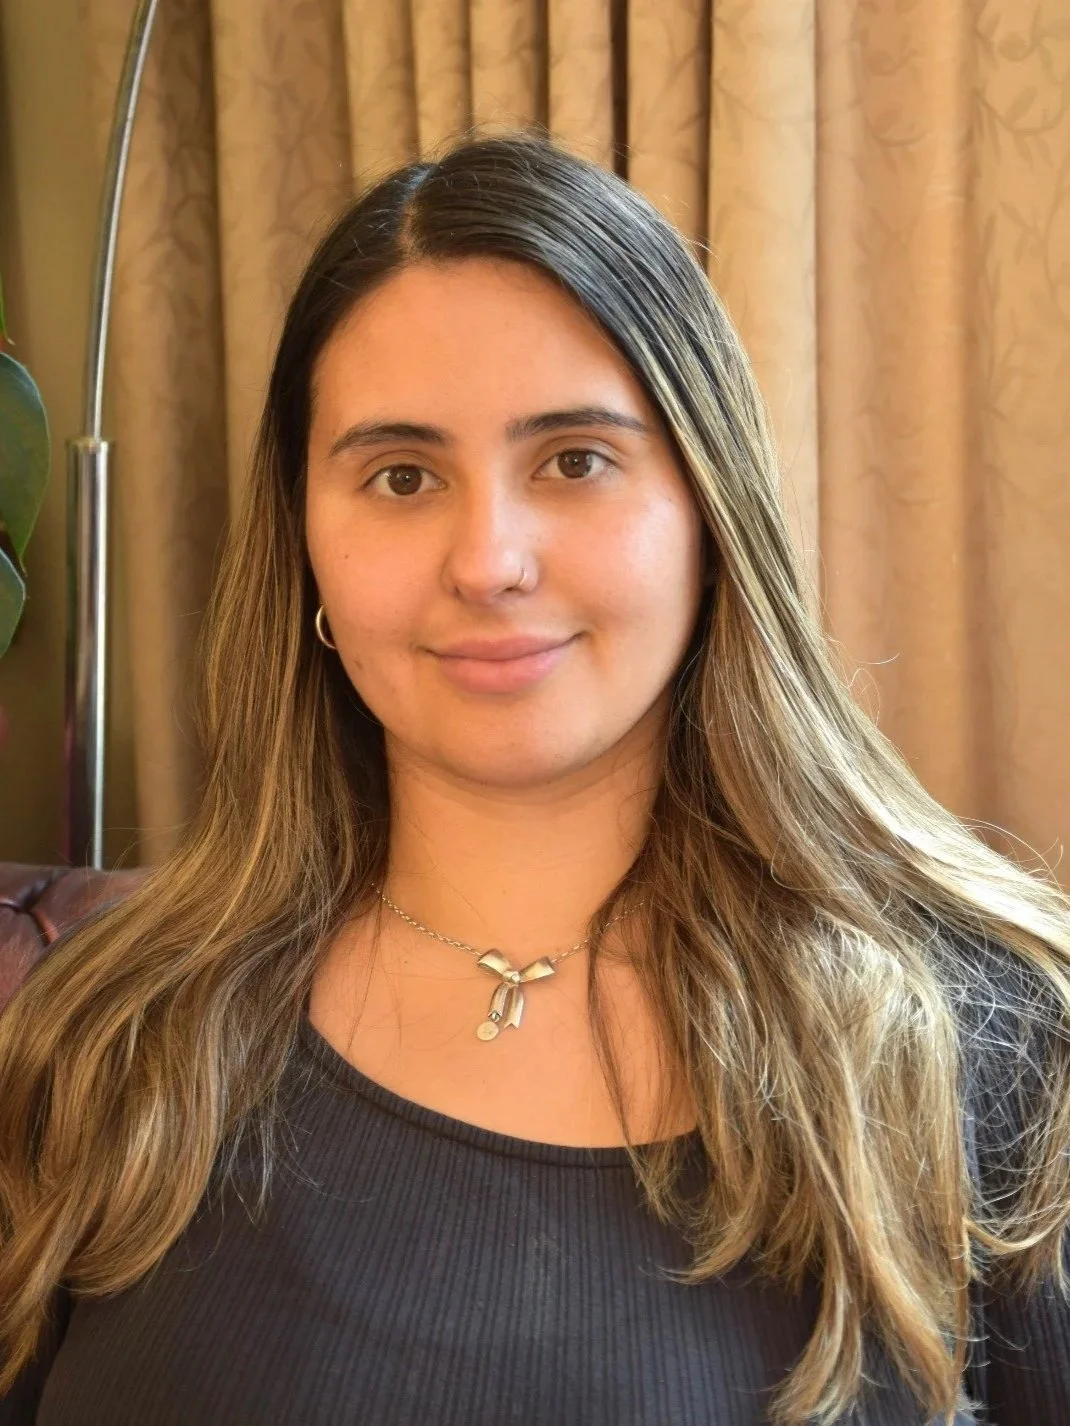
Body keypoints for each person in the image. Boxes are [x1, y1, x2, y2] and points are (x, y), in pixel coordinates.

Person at [1, 128, 1068, 1426]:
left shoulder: (989, 1056)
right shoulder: (101, 1038)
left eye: (573, 460)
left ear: (710, 513)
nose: (488, 558)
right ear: (306, 550)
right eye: (400, 476)